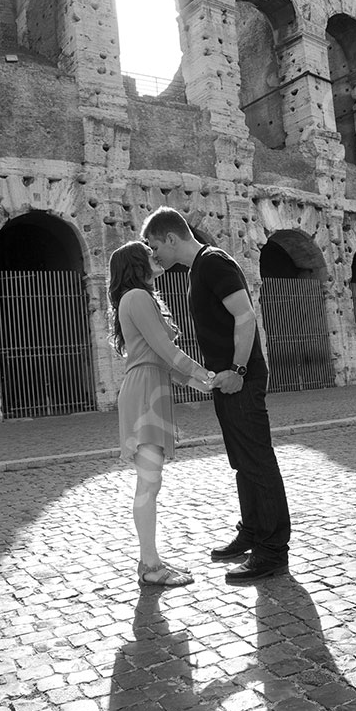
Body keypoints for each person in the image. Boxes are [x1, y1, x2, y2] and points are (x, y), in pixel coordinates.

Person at [141, 207, 291, 584]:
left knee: (257, 461)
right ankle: (253, 532)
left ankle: (272, 551)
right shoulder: (198, 270)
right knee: (242, 461)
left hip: (240, 379)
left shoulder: (213, 262)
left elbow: (245, 315)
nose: (153, 253)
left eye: (154, 245)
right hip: (226, 381)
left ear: (171, 238)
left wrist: (239, 370)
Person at [109, 240, 216, 587]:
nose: (155, 257)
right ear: (136, 264)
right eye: (148, 253)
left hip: (151, 387)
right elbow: (166, 350)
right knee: (148, 483)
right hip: (144, 392)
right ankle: (150, 566)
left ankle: (150, 560)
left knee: (150, 483)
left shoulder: (140, 298)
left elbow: (165, 360)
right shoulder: (137, 298)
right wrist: (203, 373)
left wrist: (203, 384)